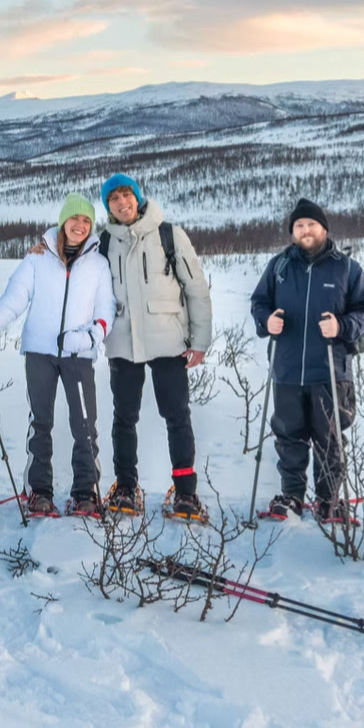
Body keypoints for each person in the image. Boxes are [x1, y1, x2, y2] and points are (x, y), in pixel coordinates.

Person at [0, 193, 116, 516]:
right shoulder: (37, 259)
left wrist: (90, 336)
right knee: (41, 423)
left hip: (78, 354)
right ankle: (39, 492)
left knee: (84, 425)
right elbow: (12, 301)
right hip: (39, 353)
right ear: (63, 221)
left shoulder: (98, 263)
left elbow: (107, 309)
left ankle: (86, 492)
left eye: (86, 221)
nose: (79, 225)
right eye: (74, 219)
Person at [98, 173, 213, 515]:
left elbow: (196, 290)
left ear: (137, 197)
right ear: (108, 206)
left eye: (126, 195)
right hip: (122, 342)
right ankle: (126, 487)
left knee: (177, 416)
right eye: (114, 199)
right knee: (124, 417)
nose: (122, 203)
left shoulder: (168, 235)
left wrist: (200, 340)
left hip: (168, 341)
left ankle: (185, 492)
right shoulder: (103, 242)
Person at [251, 199, 364, 521]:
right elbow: (259, 302)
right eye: (299, 226)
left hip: (331, 370)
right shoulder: (279, 266)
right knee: (289, 436)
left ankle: (328, 498)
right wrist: (267, 322)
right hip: (288, 368)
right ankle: (292, 495)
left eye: (311, 225)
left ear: (324, 229)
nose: (306, 230)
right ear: (293, 232)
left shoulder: (346, 268)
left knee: (329, 437)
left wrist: (342, 326)